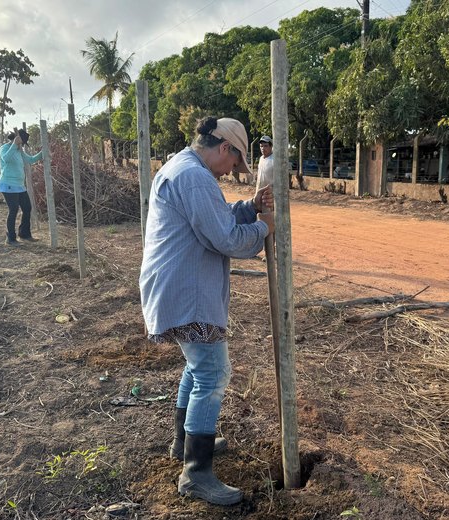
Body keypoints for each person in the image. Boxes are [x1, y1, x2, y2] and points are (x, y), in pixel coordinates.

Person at [139, 117, 274, 506]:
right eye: (235, 162)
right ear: (224, 148)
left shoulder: (182, 168)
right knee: (213, 372)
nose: (234, 170)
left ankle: (185, 442)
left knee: (197, 368)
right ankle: (196, 473)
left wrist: (248, 208)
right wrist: (264, 228)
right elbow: (224, 237)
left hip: (179, 288)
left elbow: (216, 217)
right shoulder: (195, 177)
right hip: (187, 292)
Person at [0, 128, 43, 245]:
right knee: (13, 209)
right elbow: (6, 159)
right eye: (22, 143)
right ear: (16, 140)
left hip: (19, 186)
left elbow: (31, 159)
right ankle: (11, 238)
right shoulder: (5, 148)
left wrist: (43, 153)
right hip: (8, 184)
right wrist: (14, 145)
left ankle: (24, 234)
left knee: (27, 208)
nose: (22, 145)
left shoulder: (19, 151)